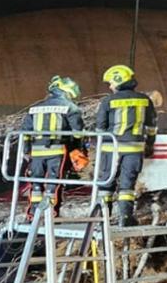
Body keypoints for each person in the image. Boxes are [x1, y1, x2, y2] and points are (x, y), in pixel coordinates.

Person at [95, 64, 156, 225]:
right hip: (134, 149)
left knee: (106, 183)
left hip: (111, 148)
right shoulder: (145, 100)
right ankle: (126, 218)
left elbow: (100, 127)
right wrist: (149, 145)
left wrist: (96, 147)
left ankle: (103, 218)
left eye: (111, 83)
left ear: (118, 81)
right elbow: (151, 127)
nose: (110, 86)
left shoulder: (108, 101)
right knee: (127, 185)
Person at [21, 75, 84, 217]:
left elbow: (25, 132)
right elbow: (78, 133)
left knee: (36, 182)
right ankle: (50, 213)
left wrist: (26, 150)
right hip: (57, 151)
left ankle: (34, 212)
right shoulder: (70, 107)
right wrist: (77, 150)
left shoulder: (34, 108)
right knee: (53, 182)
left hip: (36, 151)